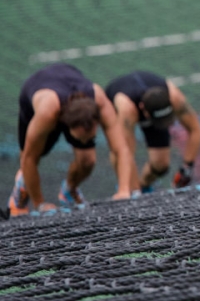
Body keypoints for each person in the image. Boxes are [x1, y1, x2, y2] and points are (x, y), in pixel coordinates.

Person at [8, 64, 132, 217]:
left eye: (91, 136)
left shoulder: (99, 100)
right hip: (38, 98)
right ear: (68, 127)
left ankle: (69, 190)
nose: (87, 141)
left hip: (69, 85)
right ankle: (20, 191)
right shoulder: (47, 113)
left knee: (87, 161)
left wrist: (124, 190)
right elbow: (28, 158)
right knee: (32, 156)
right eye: (82, 137)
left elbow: (121, 149)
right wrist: (40, 204)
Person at [104, 71, 200, 194]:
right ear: (143, 110)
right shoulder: (127, 110)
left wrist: (186, 168)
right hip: (116, 106)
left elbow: (195, 129)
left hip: (151, 107)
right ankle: (130, 188)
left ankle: (144, 185)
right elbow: (124, 152)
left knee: (161, 166)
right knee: (117, 153)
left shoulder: (175, 98)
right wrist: (134, 193)